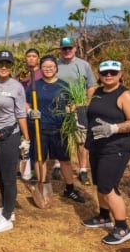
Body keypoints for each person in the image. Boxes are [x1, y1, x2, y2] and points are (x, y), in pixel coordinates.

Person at [81, 60, 130, 244]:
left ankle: (123, 227)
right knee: (100, 184)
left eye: (113, 73)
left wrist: (114, 128)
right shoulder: (96, 92)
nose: (108, 75)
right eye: (104, 72)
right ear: (99, 74)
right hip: (96, 145)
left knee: (108, 188)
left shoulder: (125, 95)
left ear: (120, 74)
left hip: (116, 147)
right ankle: (104, 216)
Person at [26, 55, 86, 204]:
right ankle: (42, 186)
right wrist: (29, 111)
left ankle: (70, 189)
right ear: (41, 68)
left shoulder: (63, 85)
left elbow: (72, 104)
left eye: (51, 67)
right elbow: (26, 103)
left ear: (56, 68)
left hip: (60, 130)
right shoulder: (35, 85)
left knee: (65, 160)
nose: (48, 69)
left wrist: (71, 112)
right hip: (39, 129)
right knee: (41, 160)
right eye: (45, 67)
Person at [0, 50, 30, 233]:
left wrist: (26, 138)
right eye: (0, 63)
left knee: (9, 177)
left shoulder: (16, 87)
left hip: (10, 135)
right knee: (0, 175)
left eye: (7, 64)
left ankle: (8, 217)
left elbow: (20, 113)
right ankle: (5, 207)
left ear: (11, 67)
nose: (4, 67)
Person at [56, 37, 95, 184]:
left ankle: (83, 169)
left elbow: (91, 86)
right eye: (64, 48)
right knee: (61, 137)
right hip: (59, 107)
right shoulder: (55, 65)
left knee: (81, 139)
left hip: (78, 106)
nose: (67, 51)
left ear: (75, 49)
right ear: (60, 50)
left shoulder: (83, 65)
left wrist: (83, 102)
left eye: (69, 48)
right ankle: (58, 164)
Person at [18, 47, 45, 182]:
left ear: (38, 59)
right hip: (22, 112)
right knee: (24, 141)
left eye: (34, 56)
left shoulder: (42, 73)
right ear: (25, 59)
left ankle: (35, 170)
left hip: (38, 113)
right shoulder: (21, 74)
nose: (31, 59)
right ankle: (23, 169)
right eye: (28, 56)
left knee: (36, 141)